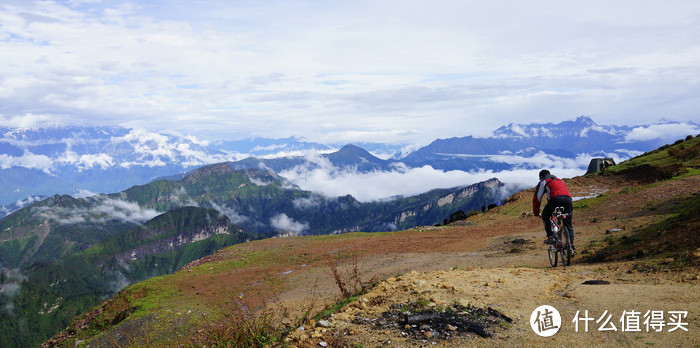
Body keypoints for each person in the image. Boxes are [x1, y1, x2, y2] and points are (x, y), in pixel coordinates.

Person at [532, 169, 575, 251]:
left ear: (541, 177)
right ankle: (571, 247)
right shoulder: (560, 180)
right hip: (568, 200)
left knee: (545, 215)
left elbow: (537, 198)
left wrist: (536, 212)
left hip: (555, 199)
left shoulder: (543, 181)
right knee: (568, 225)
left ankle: (550, 236)